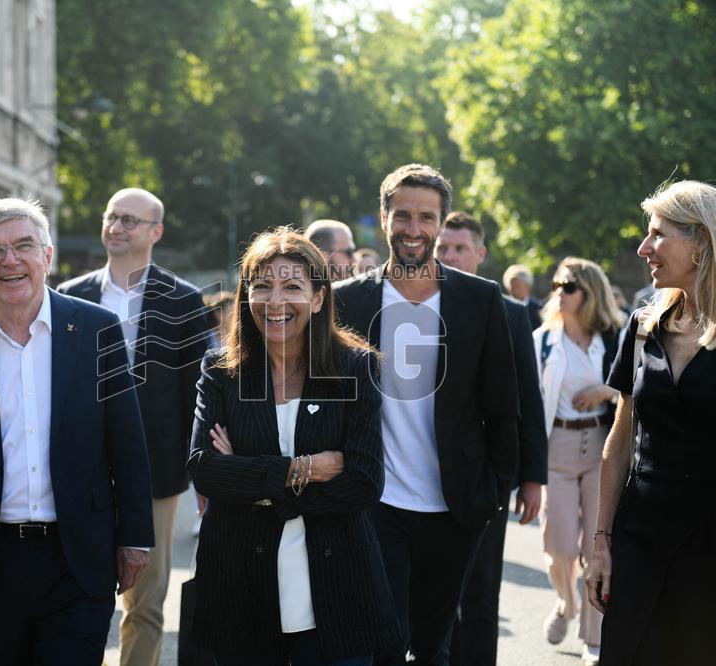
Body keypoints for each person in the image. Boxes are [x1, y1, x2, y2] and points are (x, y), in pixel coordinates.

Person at [0, 198, 155, 665]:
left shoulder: (98, 329)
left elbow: (127, 442)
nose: (11, 260)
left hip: (77, 558)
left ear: (48, 256)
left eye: (23, 246)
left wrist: (135, 535)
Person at [186, 228, 400, 664]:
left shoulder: (355, 367)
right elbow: (204, 469)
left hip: (336, 590)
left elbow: (363, 482)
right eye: (261, 286)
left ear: (319, 298)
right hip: (242, 586)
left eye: (292, 286)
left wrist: (248, 476)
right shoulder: (222, 372)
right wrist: (303, 468)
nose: (275, 301)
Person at [333, 164, 519, 665]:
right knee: (386, 640)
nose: (413, 230)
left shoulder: (478, 300)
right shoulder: (350, 300)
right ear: (384, 218)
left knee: (434, 643)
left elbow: (503, 404)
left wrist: (494, 490)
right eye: (402, 216)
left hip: (453, 506)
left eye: (426, 218)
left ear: (440, 223)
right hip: (376, 500)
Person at [586, 180, 716, 665]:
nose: (644, 248)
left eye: (657, 234)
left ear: (702, 240)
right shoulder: (643, 326)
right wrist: (601, 543)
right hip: (641, 539)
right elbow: (619, 442)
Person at [57, 187, 211, 666]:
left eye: (130, 220)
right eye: (112, 217)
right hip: (79, 470)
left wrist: (202, 469)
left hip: (154, 470)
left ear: (155, 232)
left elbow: (197, 391)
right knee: (75, 597)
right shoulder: (68, 296)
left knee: (145, 601)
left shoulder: (184, 300)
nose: (116, 227)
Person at [436, 211, 547, 666]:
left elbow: (527, 398)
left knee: (480, 594)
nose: (450, 256)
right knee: (429, 596)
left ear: (480, 254)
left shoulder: (511, 312)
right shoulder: (414, 306)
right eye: (443, 247)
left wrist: (531, 477)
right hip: (419, 474)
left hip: (484, 475)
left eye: (460, 248)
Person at [532, 257, 626, 665]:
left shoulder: (615, 337)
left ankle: (593, 638)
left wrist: (605, 392)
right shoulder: (542, 340)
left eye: (568, 286)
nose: (559, 292)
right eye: (556, 284)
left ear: (590, 292)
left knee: (596, 543)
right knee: (559, 545)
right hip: (557, 447)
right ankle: (565, 603)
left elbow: (633, 387)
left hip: (601, 444)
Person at [504, 264, 542, 330]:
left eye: (518, 287)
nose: (515, 291)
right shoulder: (503, 308)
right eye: (512, 287)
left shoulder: (538, 309)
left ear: (527, 287)